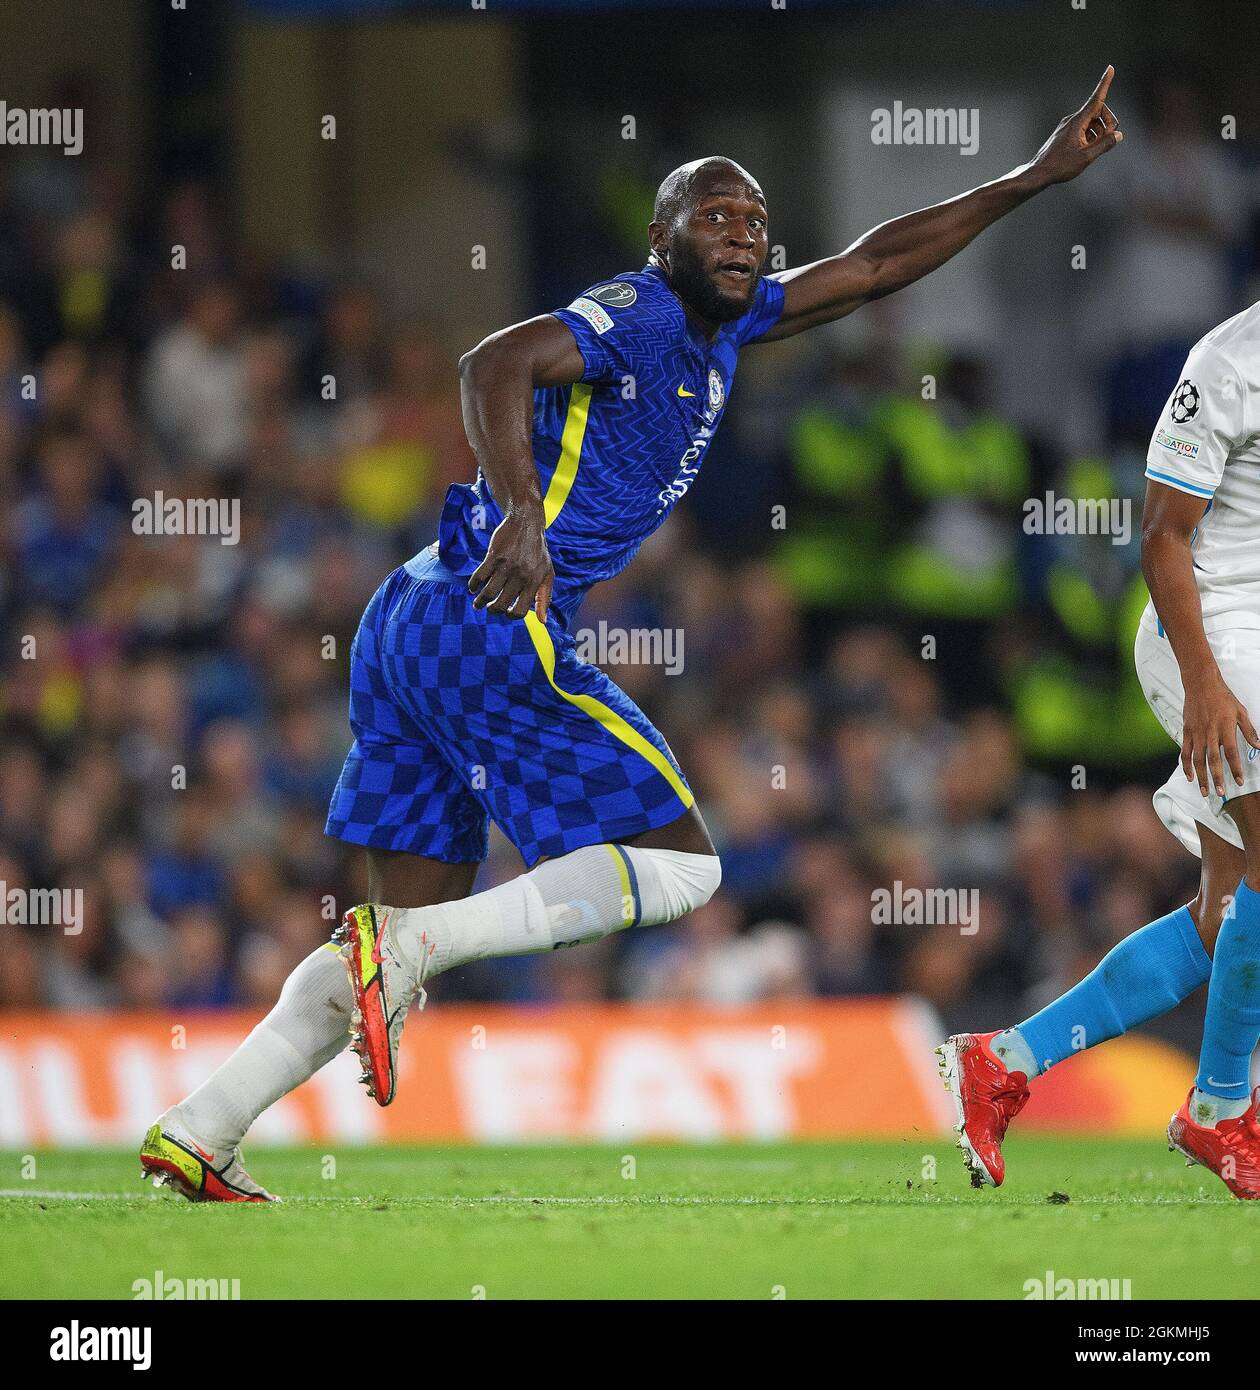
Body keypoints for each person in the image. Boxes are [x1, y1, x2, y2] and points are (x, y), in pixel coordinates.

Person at [139, 72, 1122, 1201]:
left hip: (408, 619)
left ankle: (199, 1126)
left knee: (394, 946)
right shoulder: (646, 310)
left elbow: (879, 261)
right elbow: (492, 361)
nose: (741, 233)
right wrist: (518, 508)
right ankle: (399, 956)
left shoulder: (736, 321)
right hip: (486, 608)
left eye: (754, 219)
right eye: (713, 215)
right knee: (683, 865)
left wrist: (1035, 174)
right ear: (661, 241)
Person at [941, 299, 1260, 1199]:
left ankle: (1003, 1060)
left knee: (1226, 911)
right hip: (1209, 635)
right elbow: (1161, 534)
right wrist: (1204, 684)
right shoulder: (1229, 363)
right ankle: (1222, 1109)